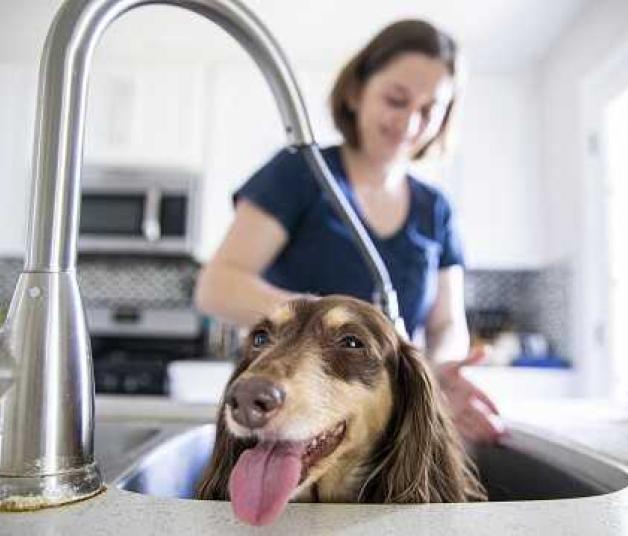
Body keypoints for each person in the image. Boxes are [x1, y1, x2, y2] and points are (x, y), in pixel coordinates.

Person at [194, 19, 504, 444]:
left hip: (381, 425)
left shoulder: (436, 209)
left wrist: (441, 371)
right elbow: (216, 286)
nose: (410, 123)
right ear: (357, 92)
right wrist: (331, 331)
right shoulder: (300, 172)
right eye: (397, 100)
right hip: (283, 410)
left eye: (429, 110)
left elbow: (446, 323)